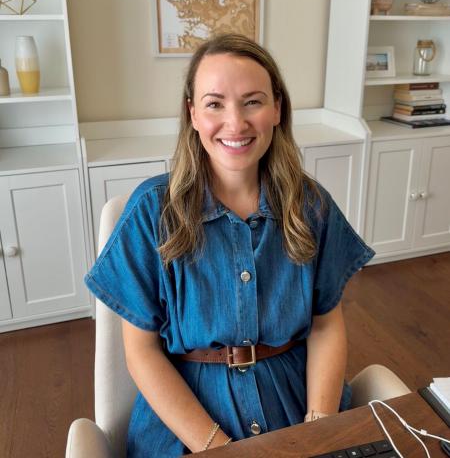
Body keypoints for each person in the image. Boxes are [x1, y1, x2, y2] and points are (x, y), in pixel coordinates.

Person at [85, 33, 375, 456]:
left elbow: (326, 324)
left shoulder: (312, 206)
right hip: (188, 427)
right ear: (193, 114)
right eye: (215, 103)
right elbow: (141, 353)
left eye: (253, 101)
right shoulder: (151, 212)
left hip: (298, 407)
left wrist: (319, 427)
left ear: (277, 108)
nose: (235, 123)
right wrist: (219, 449)